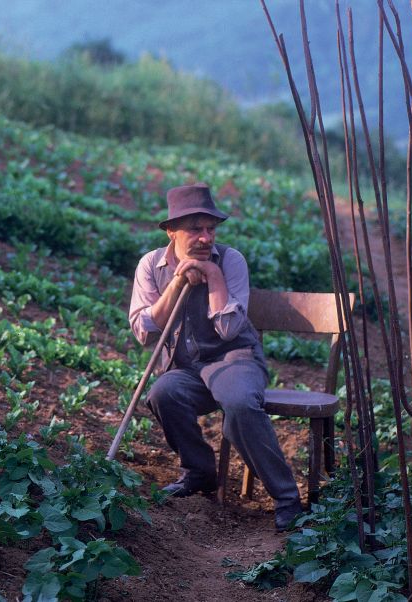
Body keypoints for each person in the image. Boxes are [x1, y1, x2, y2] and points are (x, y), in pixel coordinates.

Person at [128, 183, 303, 531]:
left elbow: (229, 329)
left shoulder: (230, 260)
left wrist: (213, 276)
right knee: (163, 394)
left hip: (233, 359)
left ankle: (287, 499)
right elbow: (145, 331)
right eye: (195, 229)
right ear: (171, 231)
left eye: (211, 229)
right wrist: (177, 284)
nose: (206, 238)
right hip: (188, 368)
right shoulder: (151, 265)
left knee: (238, 403)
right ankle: (199, 472)